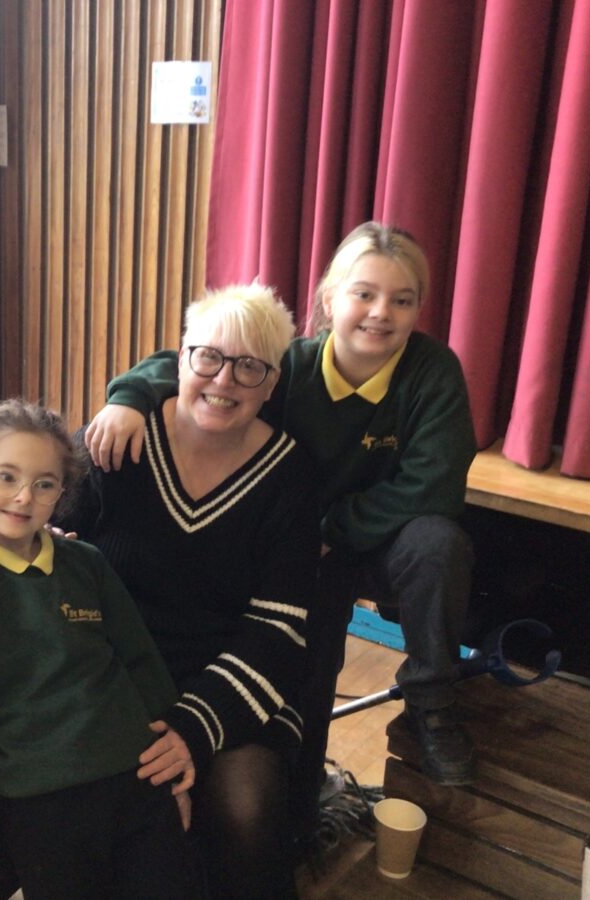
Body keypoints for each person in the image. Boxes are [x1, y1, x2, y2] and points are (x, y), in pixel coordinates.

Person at [86, 222, 479, 809]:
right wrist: (130, 395)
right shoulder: (289, 364)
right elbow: (198, 363)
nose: (381, 312)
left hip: (370, 539)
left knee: (439, 543)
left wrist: (333, 530)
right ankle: (303, 796)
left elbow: (434, 486)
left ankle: (431, 701)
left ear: (419, 309)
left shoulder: (433, 372)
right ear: (330, 300)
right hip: (300, 545)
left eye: (402, 300)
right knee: (307, 662)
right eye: (364, 294)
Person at [62, 284, 321, 899]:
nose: (224, 380)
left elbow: (278, 629)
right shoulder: (113, 442)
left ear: (271, 384)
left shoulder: (290, 476)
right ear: (179, 359)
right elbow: (42, 556)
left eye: (249, 367)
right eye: (208, 357)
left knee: (246, 808)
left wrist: (193, 727)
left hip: (230, 687)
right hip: (112, 677)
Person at [0, 399, 201, 900]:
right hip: (42, 802)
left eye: (44, 484)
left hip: (138, 778)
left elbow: (141, 663)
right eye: (6, 477)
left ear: (63, 491)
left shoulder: (86, 562)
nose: (24, 497)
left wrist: (174, 777)